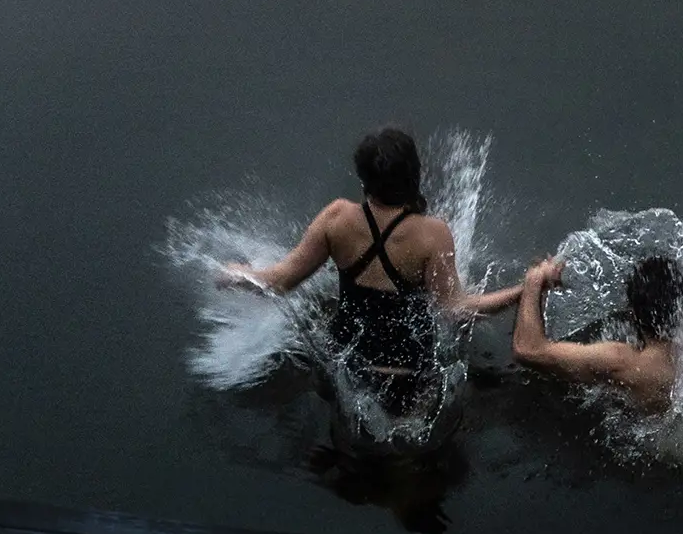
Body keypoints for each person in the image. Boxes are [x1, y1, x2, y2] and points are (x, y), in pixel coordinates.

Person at [216, 127, 519, 415]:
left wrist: (237, 275)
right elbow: (455, 309)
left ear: (364, 180)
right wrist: (521, 290)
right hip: (410, 378)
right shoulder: (432, 235)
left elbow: (279, 282)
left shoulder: (336, 218)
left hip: (349, 371)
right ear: (414, 175)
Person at [510, 253, 683, 412]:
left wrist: (534, 281)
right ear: (682, 307)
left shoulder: (622, 361)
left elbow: (527, 350)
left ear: (632, 312)